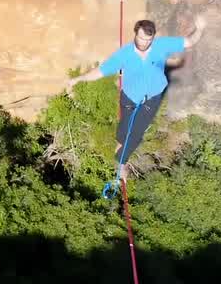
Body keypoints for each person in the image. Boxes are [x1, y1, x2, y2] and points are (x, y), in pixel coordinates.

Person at [67, 16, 207, 181]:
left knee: (136, 134)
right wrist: (79, 78)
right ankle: (121, 149)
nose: (143, 42)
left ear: (153, 38)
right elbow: (100, 71)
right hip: (130, 97)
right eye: (141, 38)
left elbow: (189, 42)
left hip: (152, 98)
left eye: (148, 40)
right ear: (135, 34)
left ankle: (121, 162)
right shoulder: (124, 54)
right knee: (123, 132)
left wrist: (200, 29)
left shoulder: (161, 45)